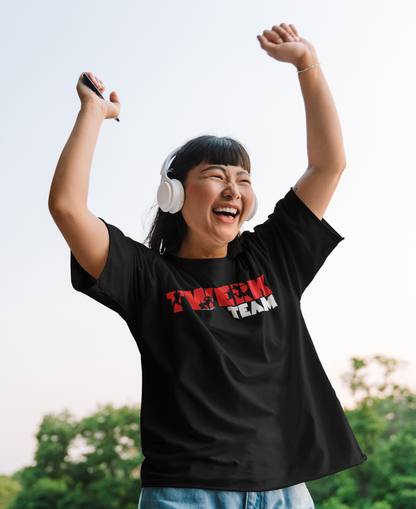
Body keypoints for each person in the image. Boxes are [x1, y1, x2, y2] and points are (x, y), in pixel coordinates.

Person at [49, 22, 366, 509]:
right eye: (216, 176)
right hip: (187, 495)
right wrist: (94, 110)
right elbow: (68, 207)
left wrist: (308, 64)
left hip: (286, 491)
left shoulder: (272, 255)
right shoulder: (145, 275)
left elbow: (329, 165)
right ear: (172, 193)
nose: (233, 189)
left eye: (243, 179)